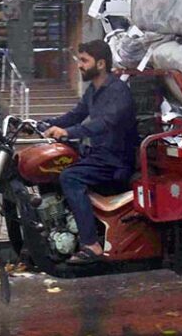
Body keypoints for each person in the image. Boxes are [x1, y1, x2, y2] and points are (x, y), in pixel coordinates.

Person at [44, 40, 138, 265]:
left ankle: (91, 245)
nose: (80, 65)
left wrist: (67, 132)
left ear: (101, 63)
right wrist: (44, 123)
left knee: (70, 177)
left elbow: (102, 124)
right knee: (56, 167)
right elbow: (76, 114)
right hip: (98, 155)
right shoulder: (93, 91)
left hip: (115, 161)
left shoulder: (118, 91)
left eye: (84, 61)